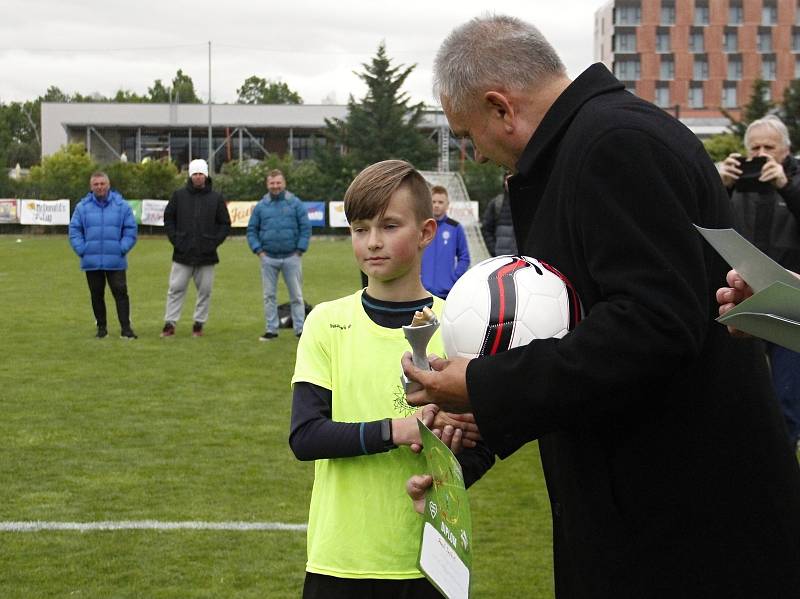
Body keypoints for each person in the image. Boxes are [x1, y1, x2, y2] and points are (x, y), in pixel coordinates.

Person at [402, 15, 800, 598]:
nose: (475, 156)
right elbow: (588, 330)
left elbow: (652, 328)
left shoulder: (615, 146)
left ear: (501, 107)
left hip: (684, 530)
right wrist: (485, 419)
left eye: (468, 134)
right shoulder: (588, 145)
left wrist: (487, 384)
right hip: (648, 512)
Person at [290, 160, 492, 599]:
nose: (373, 242)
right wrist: (400, 429)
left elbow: (482, 447)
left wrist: (452, 462)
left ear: (425, 233)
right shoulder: (326, 322)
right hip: (339, 560)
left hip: (428, 559)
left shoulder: (458, 326)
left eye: (389, 226)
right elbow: (305, 436)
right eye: (360, 229)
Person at [718, 115, 800, 450]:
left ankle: (785, 461)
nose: (762, 154)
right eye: (755, 148)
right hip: (742, 299)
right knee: (739, 397)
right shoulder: (735, 184)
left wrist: (785, 185)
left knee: (786, 398)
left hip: (789, 302)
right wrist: (718, 185)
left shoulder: (793, 181)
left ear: (787, 150)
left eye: (769, 147)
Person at [160, 158, 231, 338]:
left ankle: (198, 324)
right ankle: (170, 323)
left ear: (206, 176)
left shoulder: (216, 198)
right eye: (195, 174)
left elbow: (224, 224)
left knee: (205, 291)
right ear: (190, 176)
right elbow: (169, 218)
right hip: (182, 253)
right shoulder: (178, 196)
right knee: (175, 289)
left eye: (201, 174)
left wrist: (213, 242)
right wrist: (176, 240)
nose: (198, 177)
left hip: (207, 255)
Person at [69, 171, 138, 339]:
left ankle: (126, 329)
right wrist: (83, 250)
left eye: (102, 184)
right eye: (96, 184)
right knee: (96, 295)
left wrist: (121, 248)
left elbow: (131, 230)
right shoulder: (82, 207)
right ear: (91, 187)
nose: (99, 187)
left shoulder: (122, 206)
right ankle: (101, 329)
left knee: (121, 294)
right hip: (92, 260)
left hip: (115, 260)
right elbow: (74, 231)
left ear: (108, 185)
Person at [246, 169, 310, 340]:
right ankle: (271, 330)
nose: (275, 186)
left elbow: (305, 228)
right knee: (269, 296)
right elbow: (251, 230)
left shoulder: (295, 203)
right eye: (272, 183)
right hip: (268, 258)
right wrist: (258, 251)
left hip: (292, 257)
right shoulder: (261, 206)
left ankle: (300, 330)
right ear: (267, 184)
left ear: (284, 183)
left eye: (278, 183)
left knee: (296, 296)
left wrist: (300, 250)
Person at [420, 185, 470, 298]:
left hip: (446, 293)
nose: (436, 205)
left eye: (440, 202)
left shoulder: (455, 228)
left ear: (447, 205)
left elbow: (464, 257)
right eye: (433, 202)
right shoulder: (422, 227)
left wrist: (454, 277)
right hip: (422, 291)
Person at [480, 173, 517, 256]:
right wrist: (494, 250)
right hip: (501, 258)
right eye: (508, 180)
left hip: (523, 258)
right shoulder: (496, 203)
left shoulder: (527, 202)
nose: (511, 183)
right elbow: (486, 228)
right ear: (504, 183)